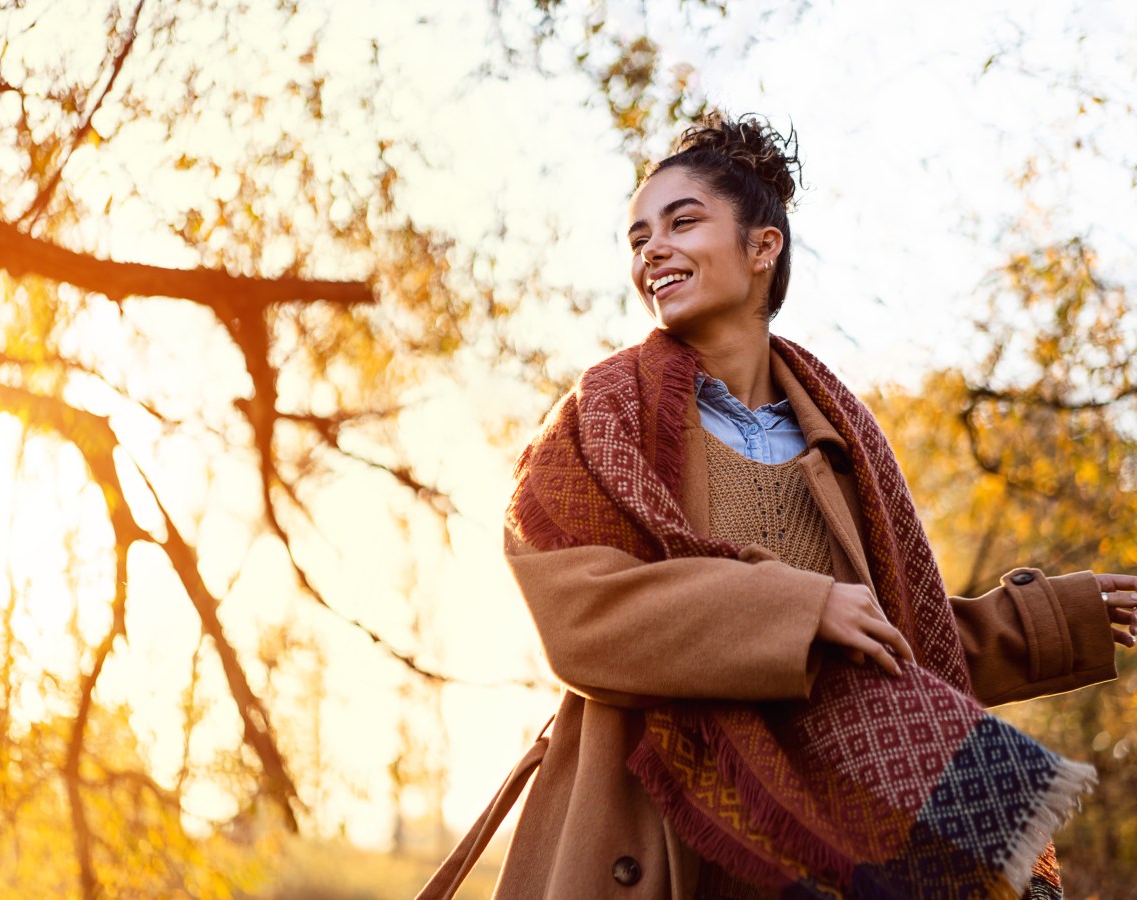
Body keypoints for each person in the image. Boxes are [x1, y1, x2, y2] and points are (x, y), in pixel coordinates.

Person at [418, 113, 1137, 900]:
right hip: (656, 833)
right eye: (637, 237)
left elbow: (894, 647)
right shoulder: (598, 420)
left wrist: (1046, 621)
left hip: (823, 853)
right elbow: (581, 617)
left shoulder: (843, 436)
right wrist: (799, 608)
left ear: (764, 247)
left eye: (682, 221)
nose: (652, 248)